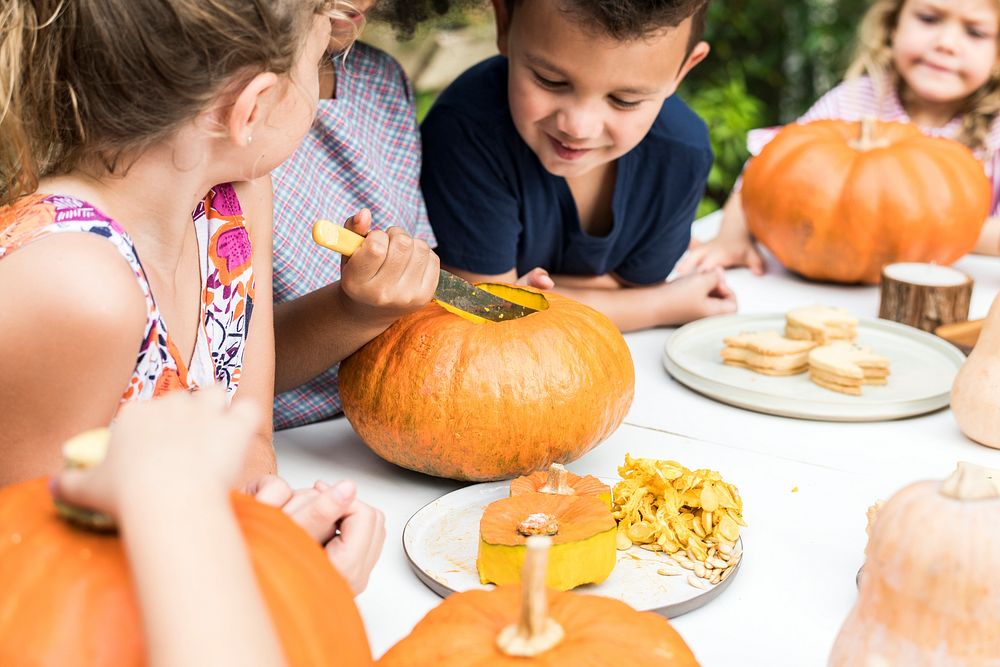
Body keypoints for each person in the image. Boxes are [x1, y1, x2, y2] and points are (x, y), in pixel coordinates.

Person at [0, 0, 383, 593]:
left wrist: (278, 534)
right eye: (320, 59)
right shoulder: (74, 287)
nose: (322, 81)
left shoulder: (232, 202)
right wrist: (266, 583)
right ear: (252, 107)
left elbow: (249, 441)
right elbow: (32, 584)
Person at [419, 0, 737, 333]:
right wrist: (660, 306)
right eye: (550, 80)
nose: (578, 127)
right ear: (504, 24)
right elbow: (483, 309)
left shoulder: (681, 155)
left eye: (624, 101)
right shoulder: (465, 133)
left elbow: (628, 287)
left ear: (684, 69)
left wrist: (527, 295)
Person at [679, 0, 1000, 276]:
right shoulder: (856, 101)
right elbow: (769, 168)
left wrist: (922, 232)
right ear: (892, 25)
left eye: (975, 32)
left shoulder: (995, 131)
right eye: (929, 19)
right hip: (830, 280)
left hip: (951, 298)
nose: (946, 43)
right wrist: (731, 237)